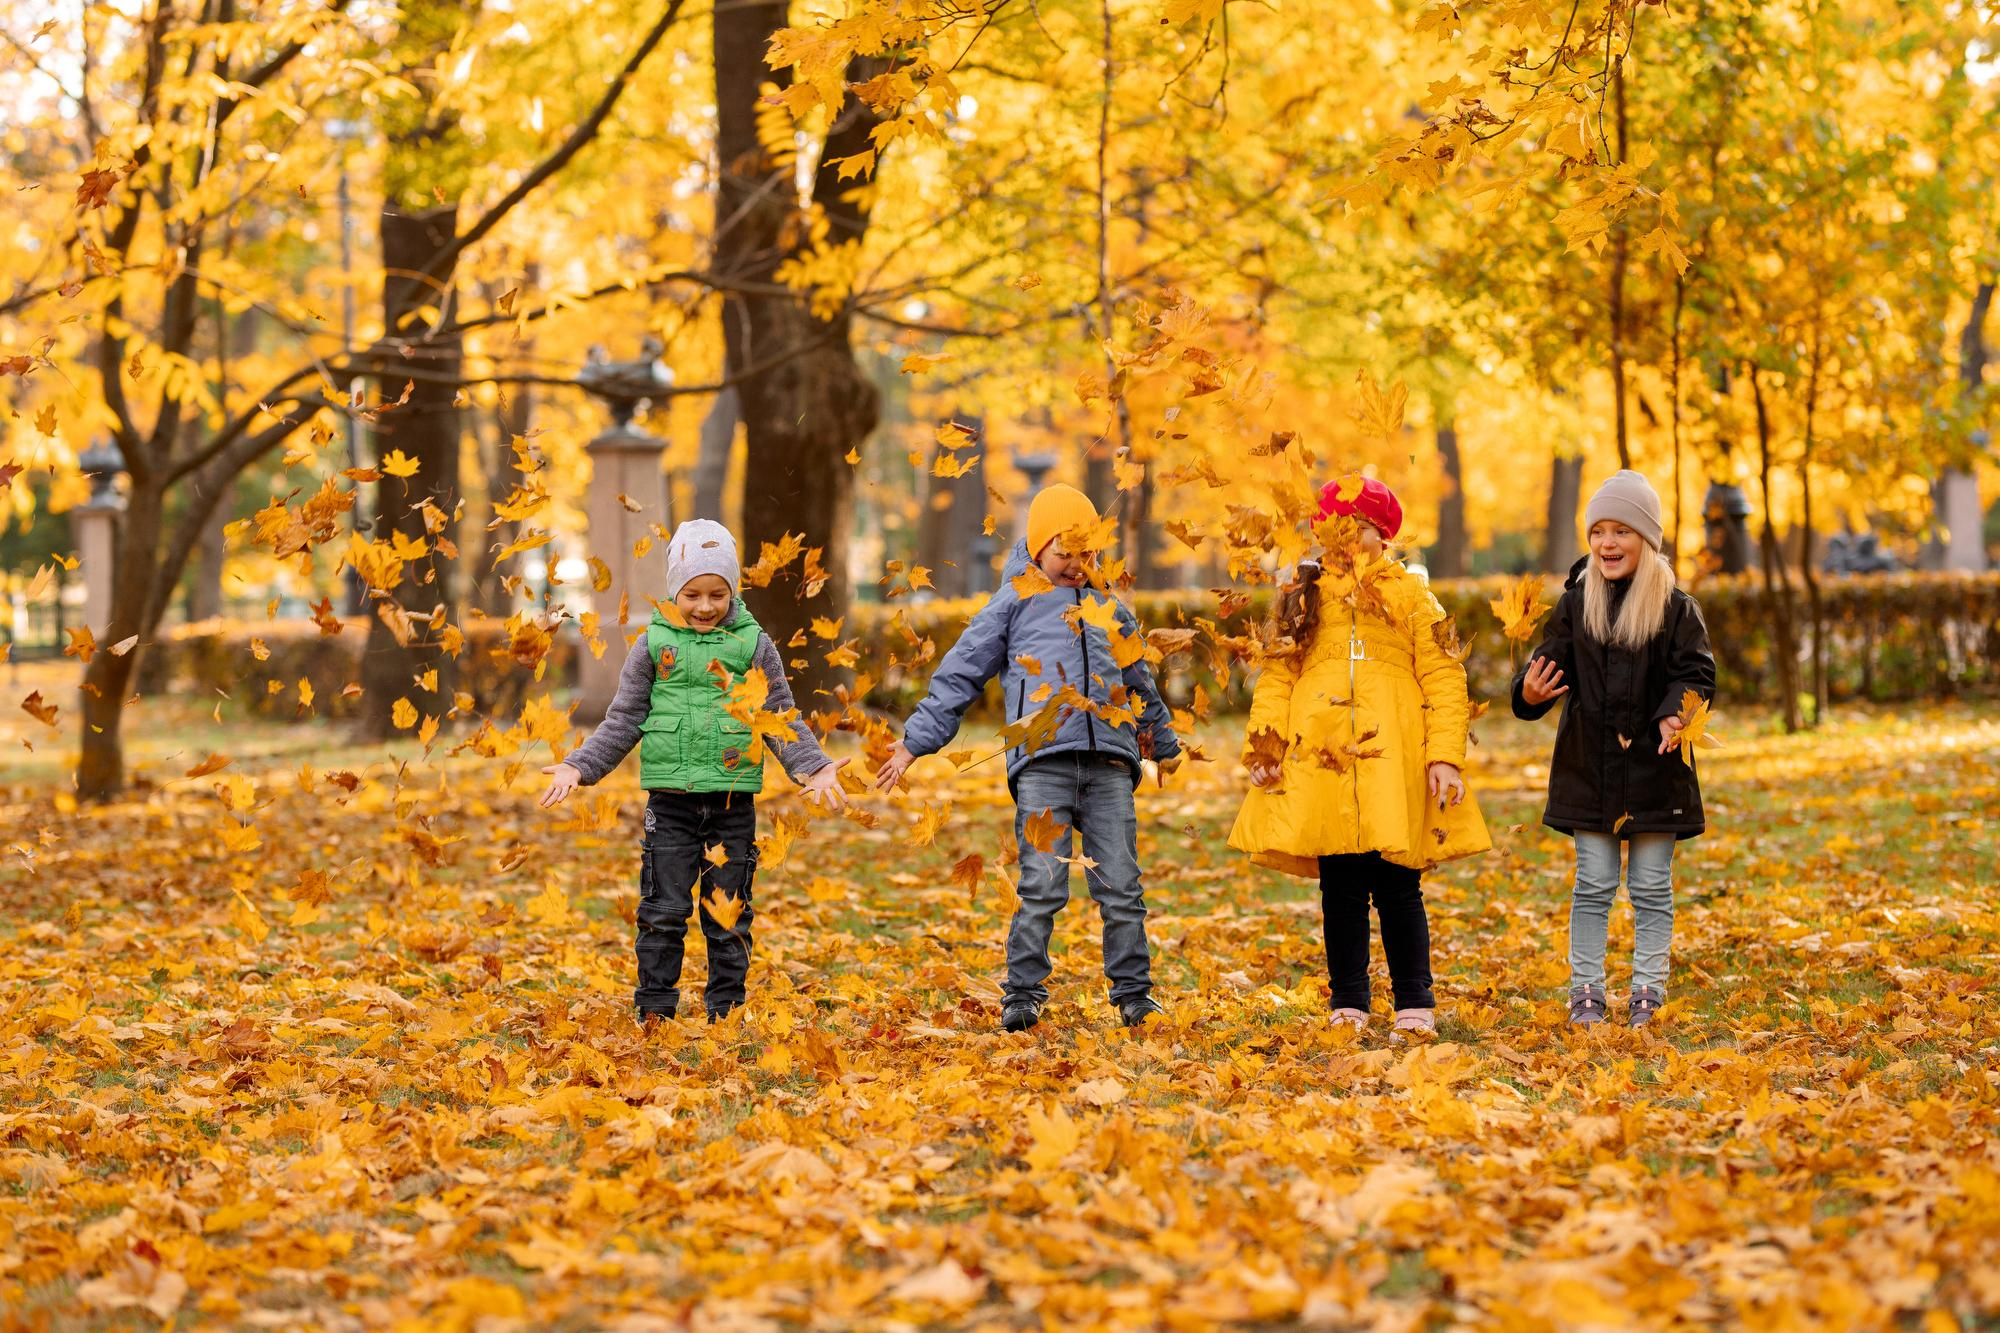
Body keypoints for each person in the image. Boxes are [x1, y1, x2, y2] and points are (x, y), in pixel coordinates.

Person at [875, 484, 1182, 1033]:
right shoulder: (1014, 603)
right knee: (1042, 885)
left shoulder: (1110, 607)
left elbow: (1140, 682)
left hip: (1110, 766)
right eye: (1064, 553)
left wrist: (1163, 741)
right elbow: (961, 672)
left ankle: (1134, 994)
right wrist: (914, 742)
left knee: (1122, 886)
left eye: (1086, 554)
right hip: (1043, 765)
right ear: (1038, 548)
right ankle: (1022, 993)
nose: (1075, 565)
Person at [538, 519, 848, 1023]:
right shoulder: (651, 646)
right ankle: (655, 1011)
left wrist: (813, 768)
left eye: (717, 594)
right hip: (671, 805)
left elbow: (780, 715)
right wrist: (579, 766)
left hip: (732, 805)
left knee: (728, 915)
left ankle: (725, 1011)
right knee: (663, 911)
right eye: (693, 594)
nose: (705, 606)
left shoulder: (753, 646)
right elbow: (624, 719)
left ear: (732, 592)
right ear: (675, 591)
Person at [1228, 477, 1490, 1037]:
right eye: (1335, 528)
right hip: (1323, 764)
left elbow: (1444, 675)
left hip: (1393, 763)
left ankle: (1414, 1004)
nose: (1346, 539)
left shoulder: (1413, 597)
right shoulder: (1303, 598)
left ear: (1385, 535)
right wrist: (1265, 745)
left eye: (1361, 528)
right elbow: (1277, 676)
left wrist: (1444, 755)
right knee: (1340, 886)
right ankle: (1349, 1000)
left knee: (1398, 886)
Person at [1512, 470, 1715, 1029]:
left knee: (1651, 885)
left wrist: (1678, 712)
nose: (1607, 542)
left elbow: (1696, 673)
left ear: (1646, 539)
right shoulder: (1577, 606)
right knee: (1594, 885)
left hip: (1657, 769)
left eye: (1621, 530)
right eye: (1598, 531)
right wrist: (1527, 693)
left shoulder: (1676, 609)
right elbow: (1544, 667)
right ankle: (1586, 991)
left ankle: (1648, 988)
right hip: (1591, 771)